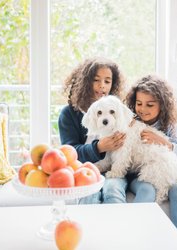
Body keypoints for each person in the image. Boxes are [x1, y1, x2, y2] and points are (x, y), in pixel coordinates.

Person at [125, 74, 177, 245]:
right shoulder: (130, 123)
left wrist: (164, 142)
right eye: (139, 103)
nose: (142, 109)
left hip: (165, 172)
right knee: (147, 190)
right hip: (138, 175)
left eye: (150, 104)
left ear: (162, 105)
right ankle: (131, 241)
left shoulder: (169, 127)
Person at [58, 57, 127, 204]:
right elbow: (69, 153)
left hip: (114, 171)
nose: (102, 86)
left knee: (113, 193)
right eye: (96, 80)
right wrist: (99, 147)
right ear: (85, 81)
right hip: (85, 171)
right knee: (89, 197)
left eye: (107, 81)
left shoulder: (117, 111)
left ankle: (118, 226)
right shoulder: (69, 114)